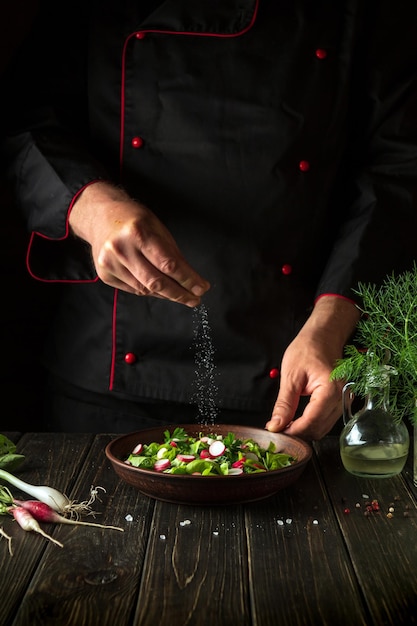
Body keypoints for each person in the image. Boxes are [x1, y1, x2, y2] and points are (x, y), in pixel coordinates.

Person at [2, 0, 417, 438]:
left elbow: (401, 166)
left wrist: (332, 324)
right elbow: (24, 119)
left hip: (301, 371)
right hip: (111, 377)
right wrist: (95, 209)